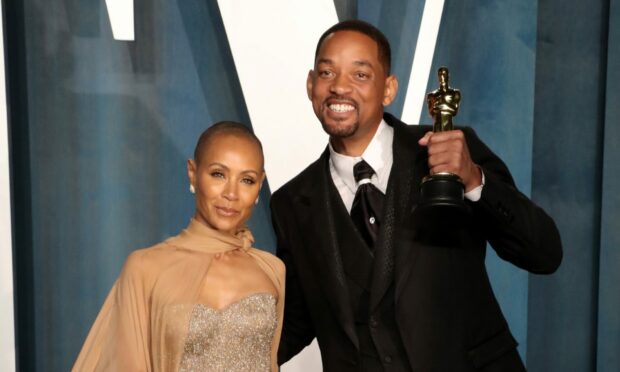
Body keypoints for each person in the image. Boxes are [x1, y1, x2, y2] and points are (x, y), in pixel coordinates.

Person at [270, 20, 562, 372]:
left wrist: (473, 180)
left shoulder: (452, 150)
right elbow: (299, 319)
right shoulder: (291, 202)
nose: (340, 87)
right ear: (311, 85)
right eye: (327, 72)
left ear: (388, 88)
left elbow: (544, 253)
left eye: (360, 75)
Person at [73, 122, 285, 372]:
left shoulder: (272, 270)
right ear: (193, 173)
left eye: (246, 180)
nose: (231, 193)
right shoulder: (145, 268)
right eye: (218, 174)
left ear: (260, 186)